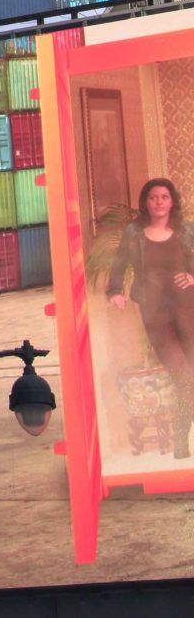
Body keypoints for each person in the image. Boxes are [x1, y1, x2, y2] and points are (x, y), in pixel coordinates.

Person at [108, 178, 194, 458]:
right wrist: (115, 291)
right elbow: (119, 263)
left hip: (187, 311)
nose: (159, 202)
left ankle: (182, 437)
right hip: (156, 315)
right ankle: (181, 440)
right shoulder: (134, 233)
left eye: (164, 197)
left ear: (172, 202)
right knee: (184, 377)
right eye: (153, 197)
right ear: (145, 202)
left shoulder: (186, 231)